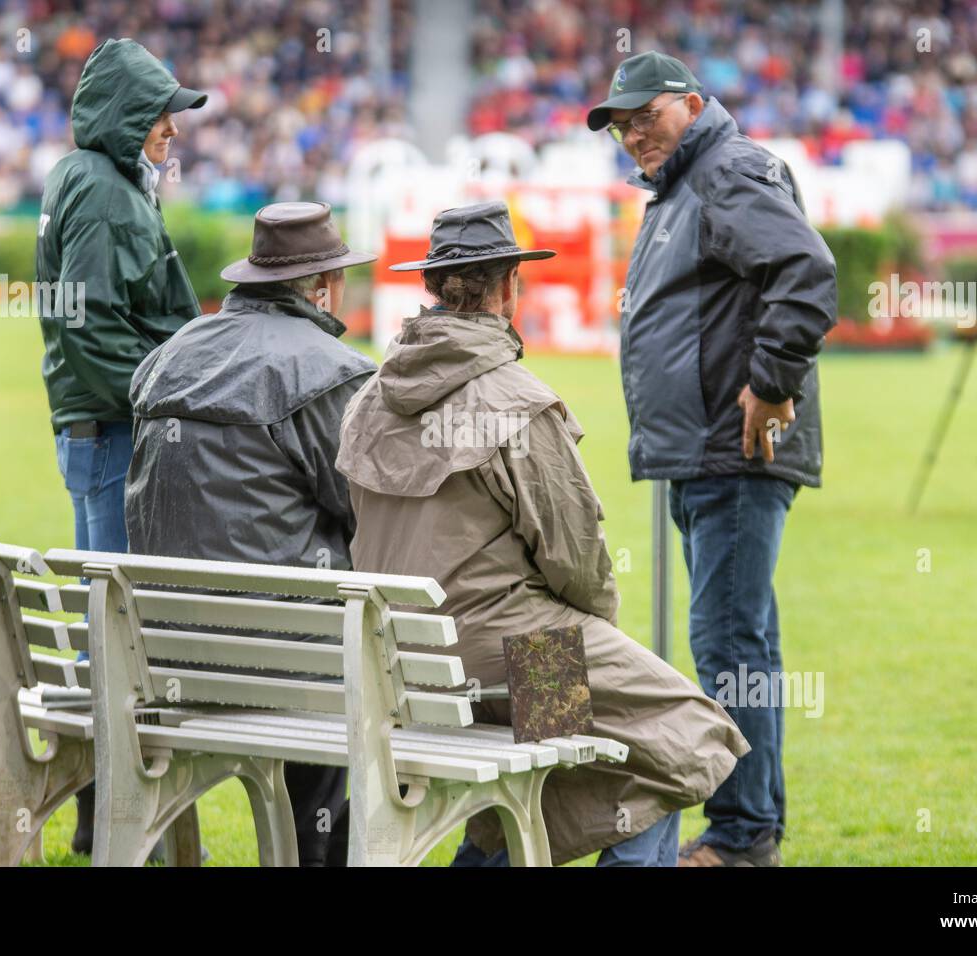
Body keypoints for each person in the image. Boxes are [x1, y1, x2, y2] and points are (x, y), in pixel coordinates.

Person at [336, 201, 749, 867]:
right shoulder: (515, 400)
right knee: (684, 733)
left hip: (396, 665)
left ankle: (503, 846)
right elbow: (579, 563)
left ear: (432, 288)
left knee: (548, 761)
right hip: (517, 653)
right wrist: (595, 632)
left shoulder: (368, 397)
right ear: (506, 288)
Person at [586, 51, 838, 866]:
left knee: (730, 642)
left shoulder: (727, 170)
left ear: (692, 104)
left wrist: (769, 385)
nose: (631, 136)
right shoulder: (684, 183)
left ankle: (741, 835)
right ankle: (744, 824)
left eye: (645, 118)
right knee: (736, 640)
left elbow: (804, 272)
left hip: (735, 452)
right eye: (620, 126)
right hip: (704, 452)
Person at [125, 201, 377, 866]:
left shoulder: (166, 357)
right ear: (322, 288)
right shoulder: (335, 370)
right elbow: (367, 514)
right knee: (546, 661)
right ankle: (318, 852)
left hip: (160, 651)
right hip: (285, 664)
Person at [35, 37, 208, 855]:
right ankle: (109, 819)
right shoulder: (103, 190)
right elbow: (92, 327)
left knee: (107, 633)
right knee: (117, 637)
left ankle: (99, 815)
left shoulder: (97, 177)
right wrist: (169, 398)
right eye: (160, 114)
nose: (172, 129)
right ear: (125, 117)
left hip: (96, 425)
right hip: (109, 431)